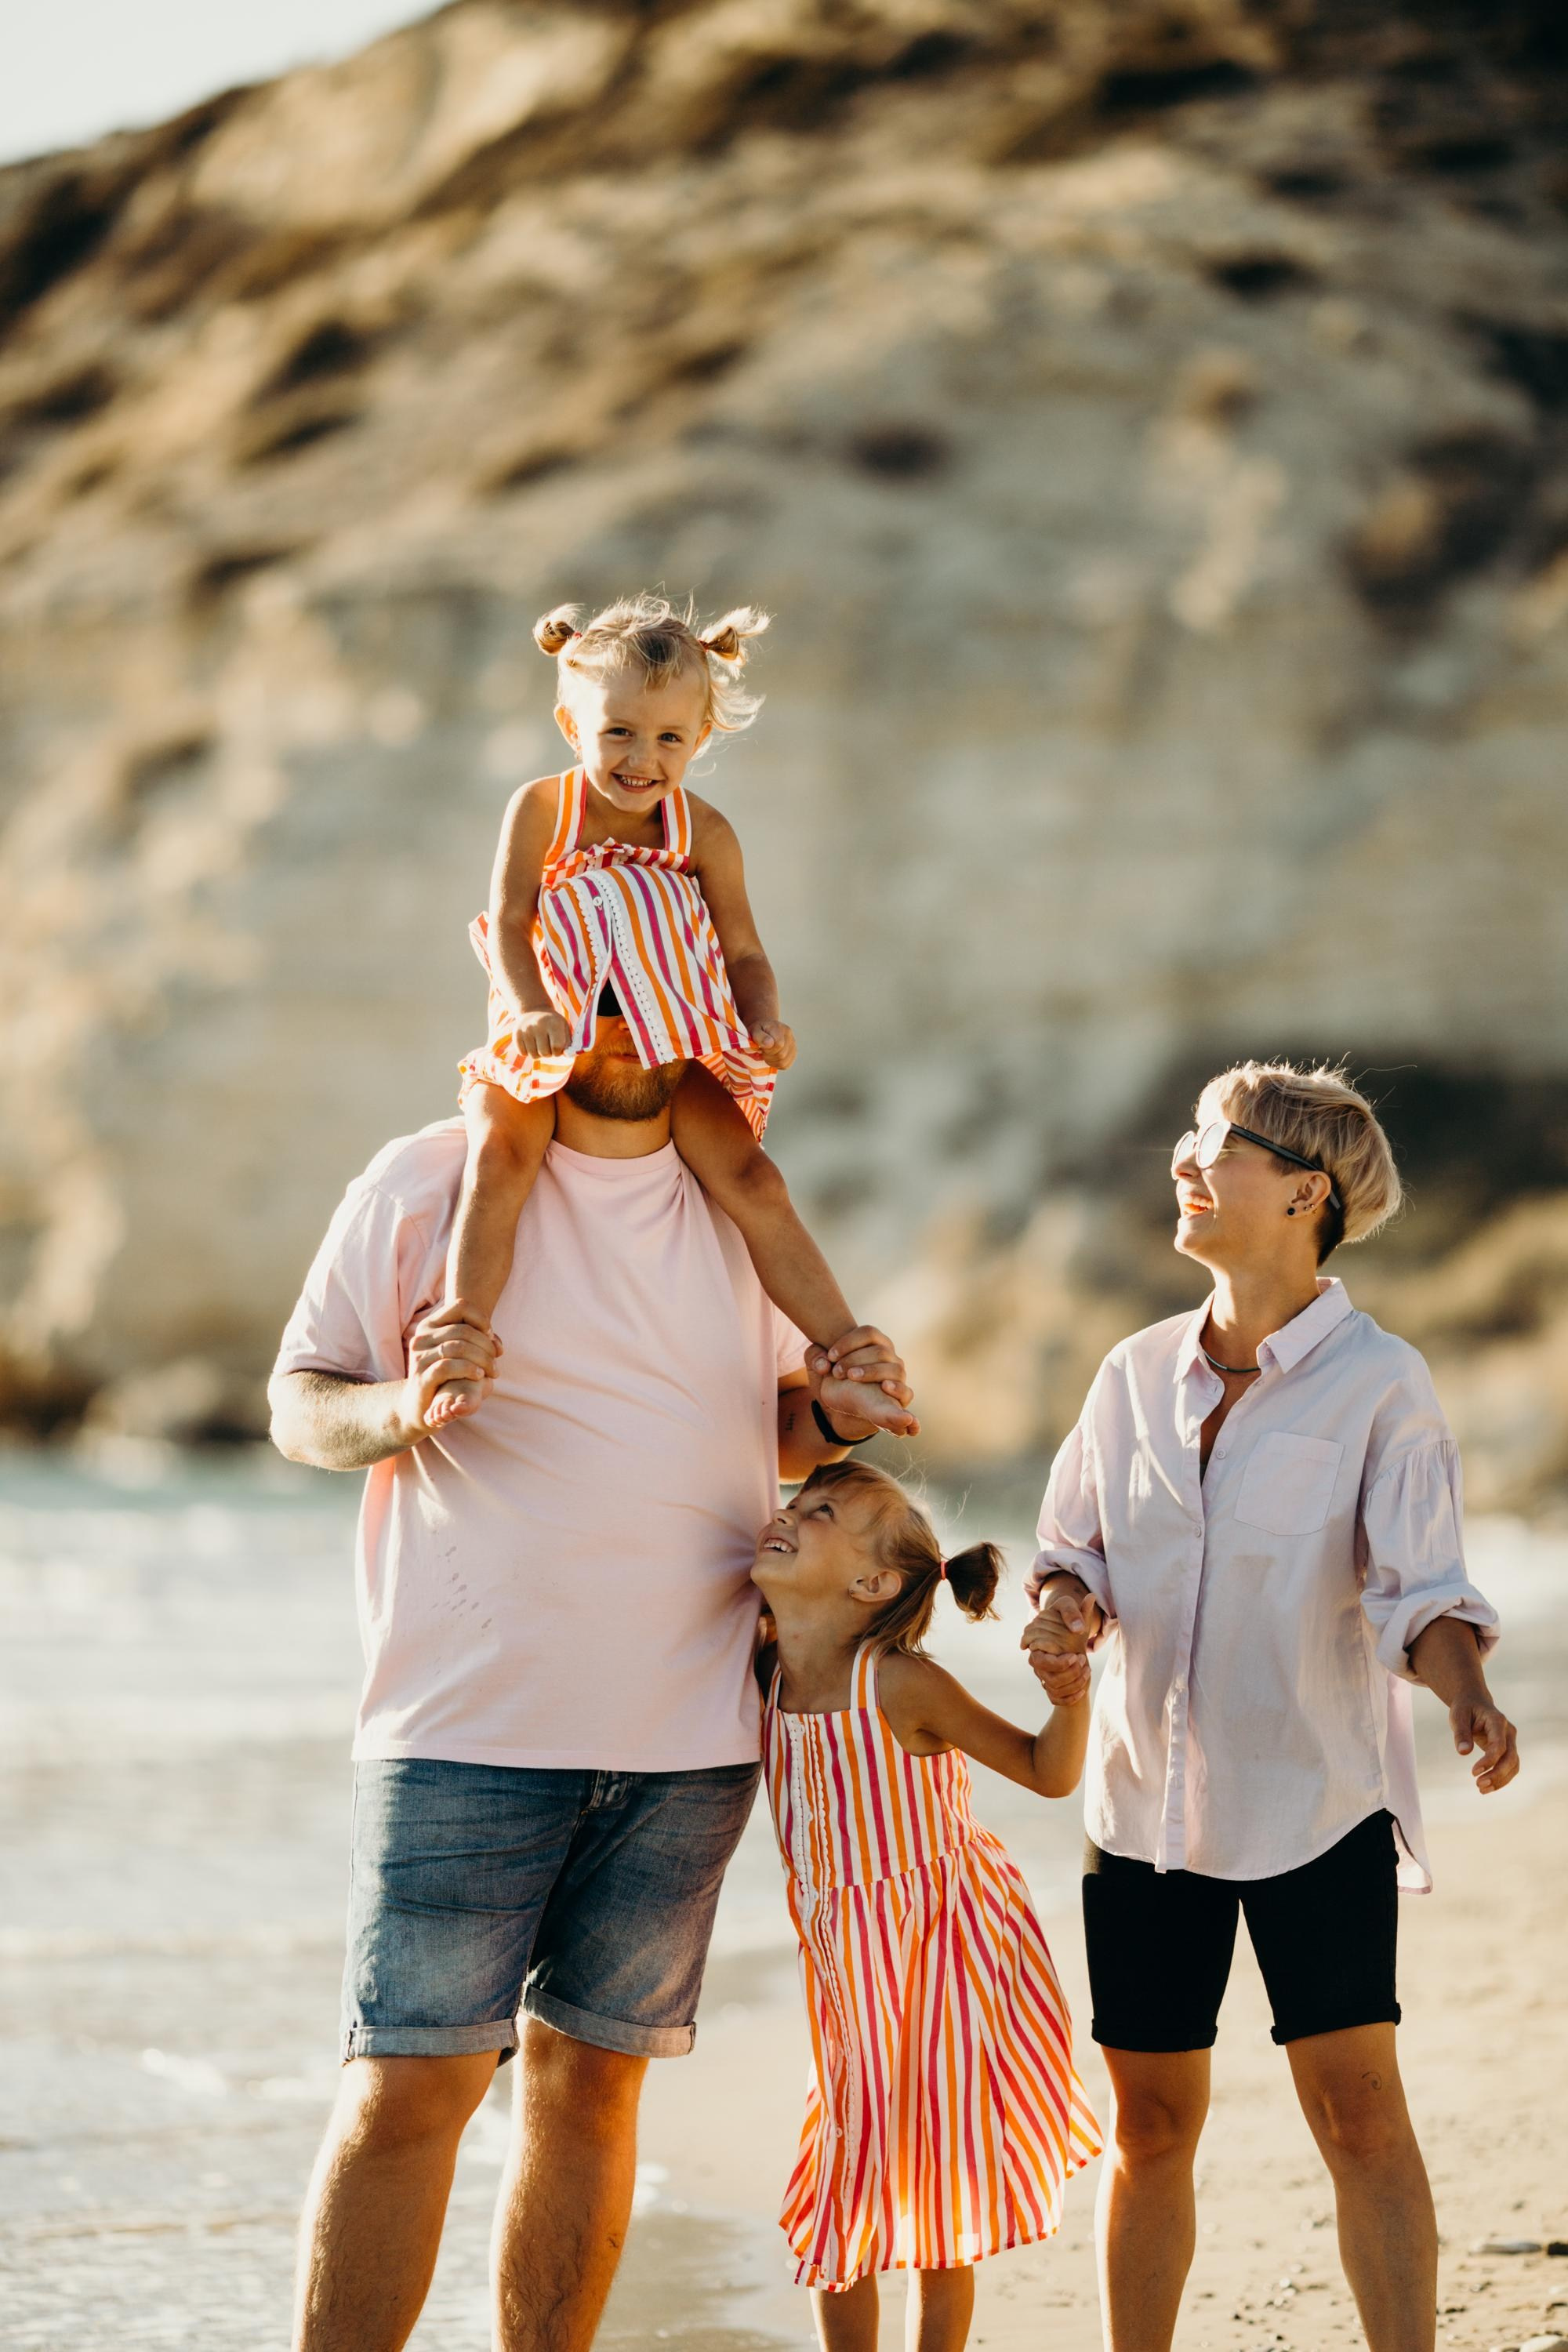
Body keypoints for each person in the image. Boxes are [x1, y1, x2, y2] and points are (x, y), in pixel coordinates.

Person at [267, 1006, 917, 2352]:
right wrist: (398, 1408)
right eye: (593, 984)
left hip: (692, 1740)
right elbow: (299, 1403)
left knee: (592, 2090)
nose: (622, 1020)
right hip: (463, 1725)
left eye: (652, 984)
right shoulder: (426, 1181)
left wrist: (833, 1415)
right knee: (410, 2089)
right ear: (533, 989)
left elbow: (777, 1426)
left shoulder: (739, 1195)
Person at [1022, 1060, 1519, 2352]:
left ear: (1306, 1192)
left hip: (1316, 1806)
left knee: (1359, 2118)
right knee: (1148, 2126)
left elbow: (1427, 1589)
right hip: (1140, 1817)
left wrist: (1469, 1692)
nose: (1186, 1161)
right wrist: (1062, 1617)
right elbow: (1071, 1553)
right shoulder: (1130, 1375)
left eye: (1218, 1143)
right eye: (1187, 1135)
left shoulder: (1381, 1384)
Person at [427, 592, 891, 1431]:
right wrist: (530, 1010)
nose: (642, 758)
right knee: (498, 1159)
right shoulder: (542, 808)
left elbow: (742, 950)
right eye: (618, 733)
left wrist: (763, 1022)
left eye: (669, 738)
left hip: (673, 1049)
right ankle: (461, 1339)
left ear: (699, 740)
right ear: (573, 728)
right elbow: (509, 919)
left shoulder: (701, 832)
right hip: (552, 1039)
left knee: (754, 1180)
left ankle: (845, 1354)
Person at [753, 1460, 1102, 2352]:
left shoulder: (900, 1685)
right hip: (844, 1966)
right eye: (798, 1500)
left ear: (873, 1584)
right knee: (849, 2167)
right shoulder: (759, 1666)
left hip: (947, 1948)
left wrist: (1070, 1701)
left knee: (938, 2172)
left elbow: (1045, 1774)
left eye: (821, 1510)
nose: (791, 1511)